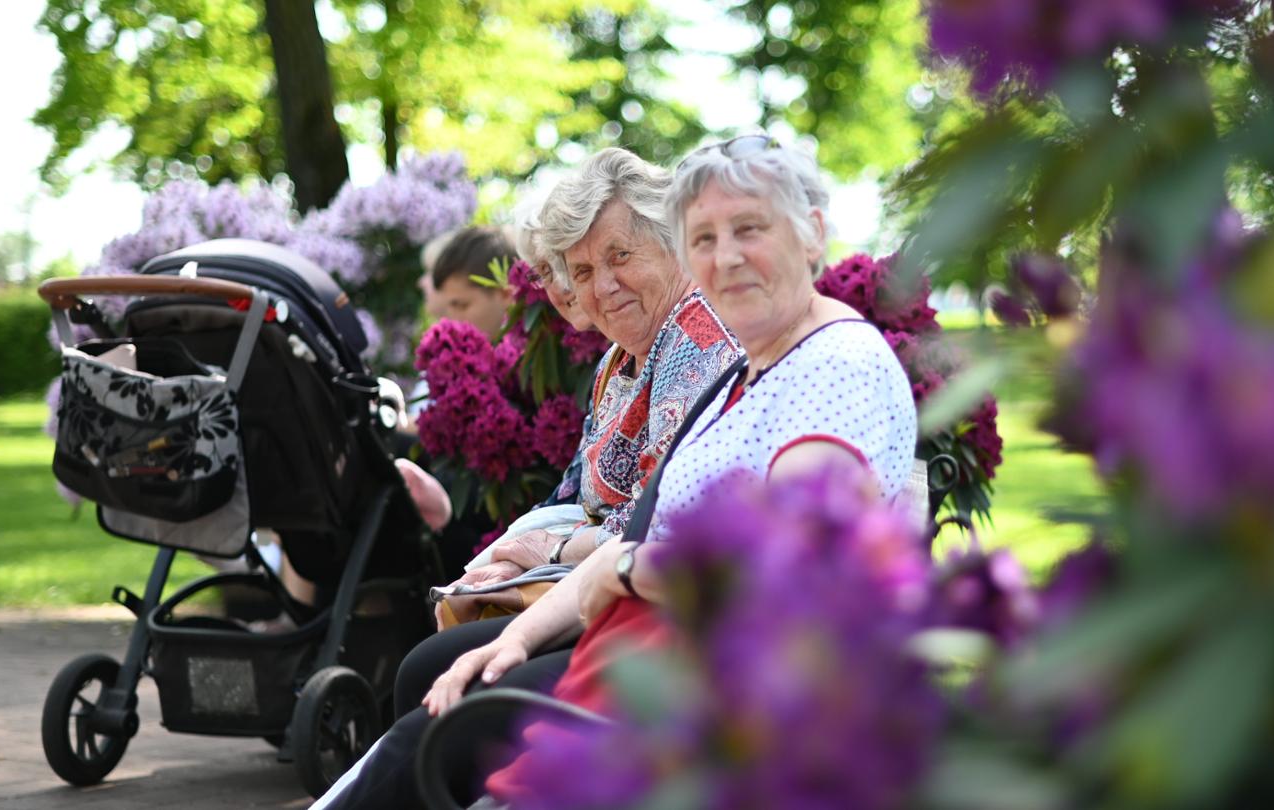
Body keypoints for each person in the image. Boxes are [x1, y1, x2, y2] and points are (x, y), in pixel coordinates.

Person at [444, 135, 919, 808]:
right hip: (643, 647)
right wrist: (521, 629)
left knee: (444, 727)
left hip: (718, 692)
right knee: (448, 687)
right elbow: (633, 525)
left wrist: (626, 567)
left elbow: (789, 572)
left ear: (813, 233)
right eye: (703, 239)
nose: (724, 258)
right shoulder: (747, 370)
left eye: (748, 229)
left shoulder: (833, 366)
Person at [317, 147, 743, 809]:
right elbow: (573, 492)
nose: (600, 287)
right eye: (581, 271)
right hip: (598, 590)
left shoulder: (696, 340)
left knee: (450, 699)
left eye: (620, 257)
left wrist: (538, 553)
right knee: (426, 668)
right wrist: (505, 558)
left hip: (653, 613)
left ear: (673, 245)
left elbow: (653, 521)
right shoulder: (621, 360)